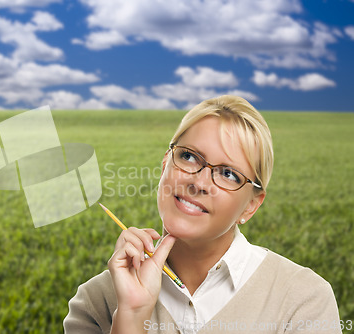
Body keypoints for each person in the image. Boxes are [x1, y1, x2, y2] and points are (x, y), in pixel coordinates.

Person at [63, 95, 341, 334]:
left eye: (228, 174)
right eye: (189, 157)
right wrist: (131, 316)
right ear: (164, 166)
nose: (199, 182)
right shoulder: (95, 302)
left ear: (251, 206)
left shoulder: (303, 300)